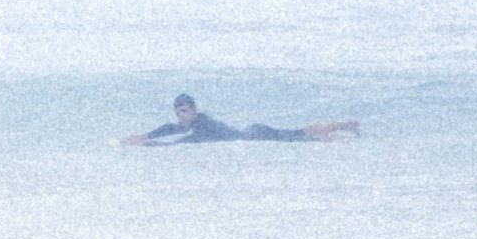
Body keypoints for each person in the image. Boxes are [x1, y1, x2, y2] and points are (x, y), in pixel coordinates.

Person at [131, 94, 359, 145]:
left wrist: (152, 145)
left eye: (185, 111)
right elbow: (170, 129)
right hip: (251, 132)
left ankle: (339, 130)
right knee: (298, 134)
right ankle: (340, 128)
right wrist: (145, 137)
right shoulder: (191, 123)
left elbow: (186, 141)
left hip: (256, 135)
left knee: (300, 136)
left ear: (194, 110)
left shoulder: (203, 124)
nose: (182, 116)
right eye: (179, 112)